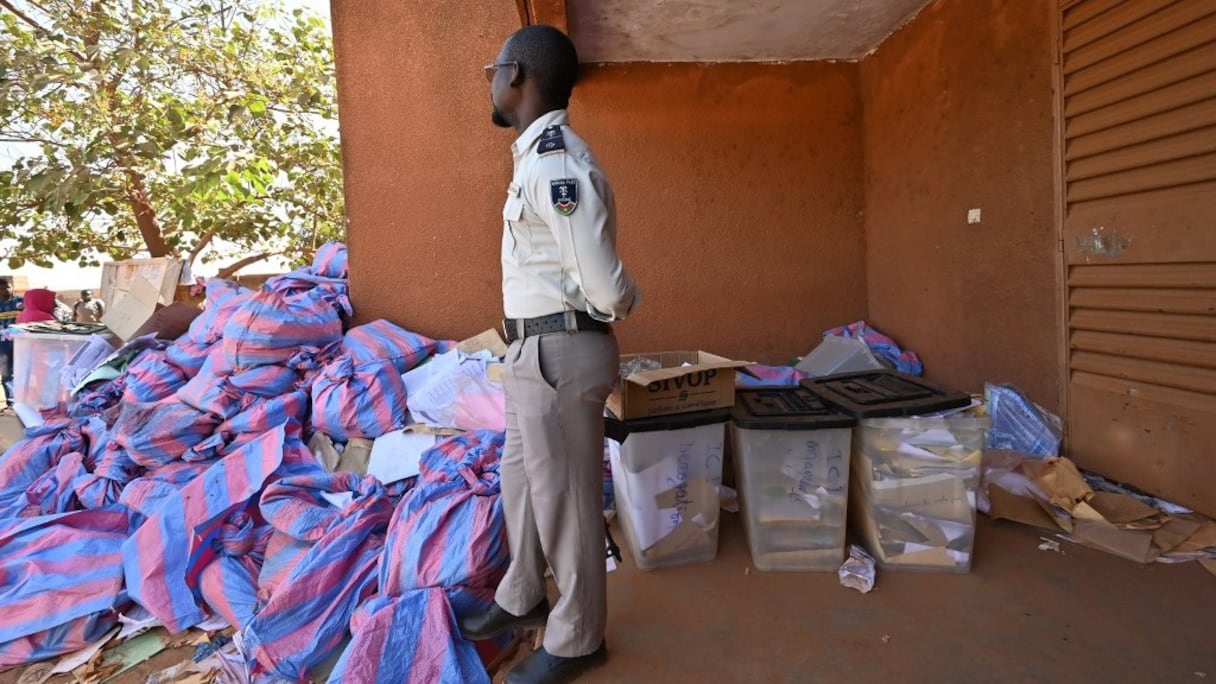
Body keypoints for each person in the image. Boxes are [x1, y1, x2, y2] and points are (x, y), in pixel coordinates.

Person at [457, 25, 639, 684]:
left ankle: (578, 636)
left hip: (561, 354)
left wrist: (622, 299)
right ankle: (522, 595)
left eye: (493, 68)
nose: (489, 79)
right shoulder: (535, 159)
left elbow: (602, 281)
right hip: (536, 355)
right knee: (525, 483)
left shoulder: (557, 163)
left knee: (565, 500)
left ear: (518, 77)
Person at [0, 279, 22, 408]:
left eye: (8, 287)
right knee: (7, 373)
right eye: (2, 289)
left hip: (22, 343)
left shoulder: (21, 302)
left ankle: (26, 399)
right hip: (2, 345)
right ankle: (12, 402)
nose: (5, 291)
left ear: (12, 287)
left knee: (24, 371)